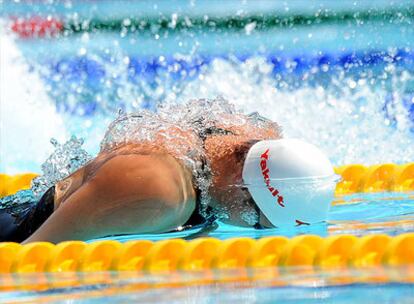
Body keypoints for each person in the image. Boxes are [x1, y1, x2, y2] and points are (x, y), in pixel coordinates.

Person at [0, 98, 336, 243]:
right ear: (243, 189)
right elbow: (26, 264)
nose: (252, 230)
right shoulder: (160, 193)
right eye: (257, 224)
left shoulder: (246, 138)